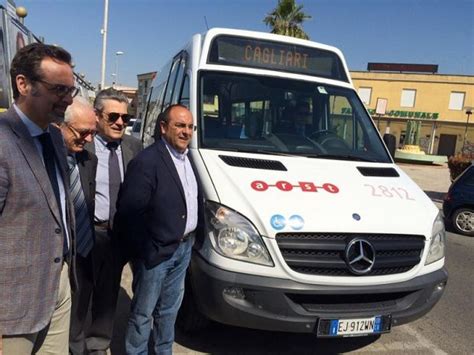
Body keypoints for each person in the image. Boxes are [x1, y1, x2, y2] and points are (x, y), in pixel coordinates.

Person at [0, 42, 77, 354]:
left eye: (70, 90)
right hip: (11, 308)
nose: (68, 100)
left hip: (57, 288)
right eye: (59, 89)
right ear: (23, 84)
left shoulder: (55, 136)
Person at [115, 104, 203, 354]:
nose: (186, 132)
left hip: (183, 248)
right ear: (163, 127)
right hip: (156, 253)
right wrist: (146, 249)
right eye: (180, 125)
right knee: (143, 313)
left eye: (190, 126)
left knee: (169, 311)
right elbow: (129, 212)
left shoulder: (189, 158)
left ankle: (163, 351)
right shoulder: (147, 161)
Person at [84, 87, 142, 355]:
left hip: (119, 235)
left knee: (107, 295)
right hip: (88, 232)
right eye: (113, 117)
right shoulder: (80, 143)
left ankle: (97, 344)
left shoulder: (133, 147)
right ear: (97, 116)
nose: (121, 123)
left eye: (125, 118)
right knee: (80, 291)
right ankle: (73, 344)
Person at [58, 97, 98, 355]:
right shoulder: (43, 158)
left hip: (84, 252)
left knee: (79, 312)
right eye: (84, 132)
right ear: (61, 125)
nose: (89, 140)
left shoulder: (88, 161)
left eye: (93, 133)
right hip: (57, 258)